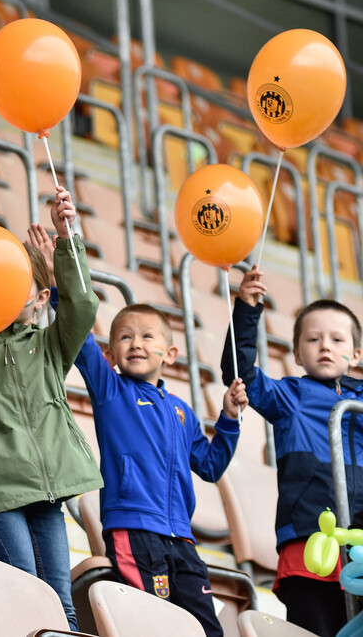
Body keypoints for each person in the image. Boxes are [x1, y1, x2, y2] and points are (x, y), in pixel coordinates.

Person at [0, 187, 103, 630]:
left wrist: (68, 239)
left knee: (61, 603)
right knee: (27, 590)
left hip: (47, 492)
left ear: (41, 295)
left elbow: (83, 303)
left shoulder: (49, 345)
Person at [77, 301, 248, 637]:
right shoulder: (110, 390)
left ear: (169, 354)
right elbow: (79, 339)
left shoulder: (182, 412)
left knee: (206, 628)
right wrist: (60, 286)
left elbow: (211, 466)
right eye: (125, 337)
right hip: (134, 528)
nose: (136, 343)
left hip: (182, 538)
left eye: (146, 336)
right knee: (153, 622)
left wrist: (228, 418)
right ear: (110, 354)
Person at [223, 266, 363, 637]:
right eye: (314, 340)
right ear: (298, 354)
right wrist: (247, 311)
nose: (326, 346)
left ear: (356, 353)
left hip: (361, 547)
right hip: (309, 541)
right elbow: (240, 373)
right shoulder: (290, 397)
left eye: (337, 339)